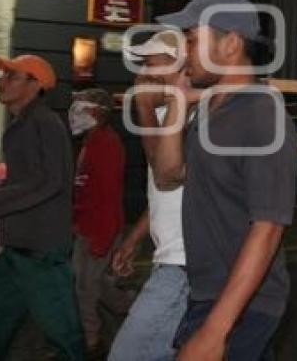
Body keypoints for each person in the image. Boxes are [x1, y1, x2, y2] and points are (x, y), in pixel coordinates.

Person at [146, 0, 297, 360]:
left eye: (192, 39)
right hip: (208, 291)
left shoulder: (262, 115)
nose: (184, 53)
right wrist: (179, 104)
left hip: (244, 305)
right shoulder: (211, 108)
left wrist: (217, 329)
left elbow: (269, 227)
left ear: (230, 44)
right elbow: (167, 175)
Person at [0, 54, 85, 360]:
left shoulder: (44, 122)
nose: (1, 81)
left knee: (66, 340)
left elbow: (47, 182)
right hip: (16, 248)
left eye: (11, 76)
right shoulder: (22, 124)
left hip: (40, 254)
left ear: (34, 84)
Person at [109, 30, 189, 361]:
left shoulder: (190, 115)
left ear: (178, 67)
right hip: (170, 260)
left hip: (184, 264)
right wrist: (134, 238)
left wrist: (142, 106)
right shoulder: (162, 116)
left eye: (151, 63)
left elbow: (164, 175)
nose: (142, 74)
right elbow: (163, 195)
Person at [70, 88, 127, 354]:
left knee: (85, 290)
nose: (74, 113)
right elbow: (86, 188)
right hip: (87, 229)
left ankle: (91, 343)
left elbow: (108, 195)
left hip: (98, 230)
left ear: (97, 113)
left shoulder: (106, 145)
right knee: (97, 285)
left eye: (80, 107)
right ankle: (130, 310)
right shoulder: (91, 142)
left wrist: (102, 240)